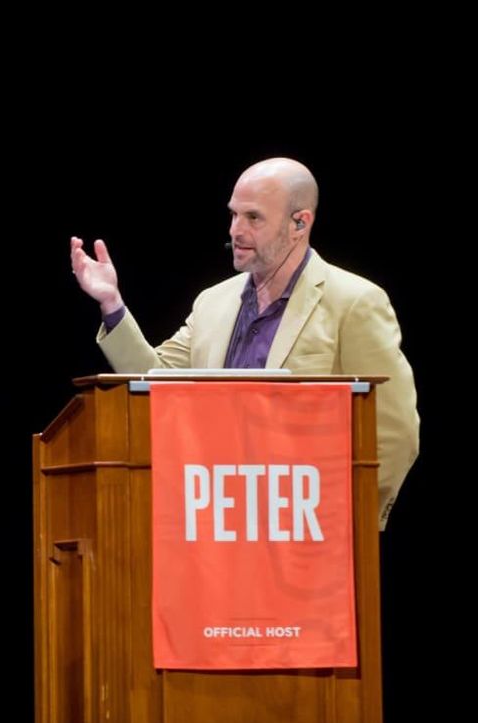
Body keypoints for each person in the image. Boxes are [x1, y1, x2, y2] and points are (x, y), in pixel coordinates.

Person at [70, 157, 418, 530]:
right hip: (218, 528)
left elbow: (395, 430)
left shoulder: (354, 302)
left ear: (300, 223)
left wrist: (354, 518)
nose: (236, 229)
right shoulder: (213, 303)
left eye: (254, 218)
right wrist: (112, 304)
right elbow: (156, 383)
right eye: (233, 215)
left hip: (311, 529)